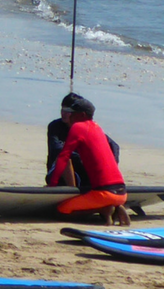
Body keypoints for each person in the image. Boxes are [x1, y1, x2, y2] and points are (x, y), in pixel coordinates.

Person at [47, 94, 128, 225]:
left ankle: (103, 209)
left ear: (82, 115)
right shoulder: (97, 128)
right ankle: (116, 207)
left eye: (72, 113)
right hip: (122, 193)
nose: (69, 116)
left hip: (103, 193)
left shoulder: (77, 127)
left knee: (59, 212)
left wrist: (52, 185)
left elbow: (63, 157)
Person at [46, 92, 120, 192]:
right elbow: (57, 150)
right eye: (62, 109)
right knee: (67, 159)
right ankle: (71, 192)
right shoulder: (55, 126)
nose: (64, 113)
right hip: (59, 171)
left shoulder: (87, 128)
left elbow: (114, 145)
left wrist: (113, 161)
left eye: (68, 111)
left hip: (82, 170)